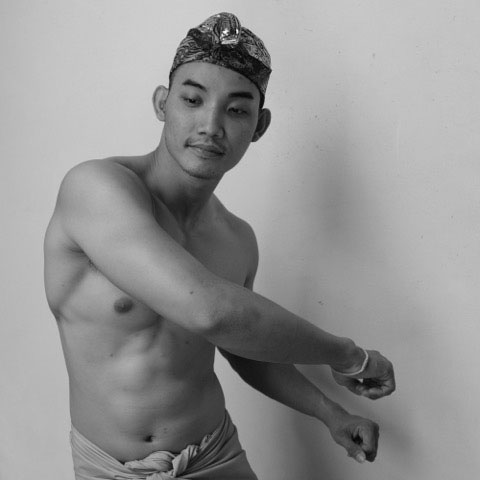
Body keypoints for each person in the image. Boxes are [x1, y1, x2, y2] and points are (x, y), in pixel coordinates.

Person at [44, 12, 395, 480]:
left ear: (259, 125)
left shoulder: (237, 237)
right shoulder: (95, 189)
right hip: (111, 470)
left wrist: (332, 414)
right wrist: (349, 355)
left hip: (216, 454)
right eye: (192, 100)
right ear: (162, 103)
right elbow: (210, 311)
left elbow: (241, 344)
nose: (210, 125)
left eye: (236, 110)